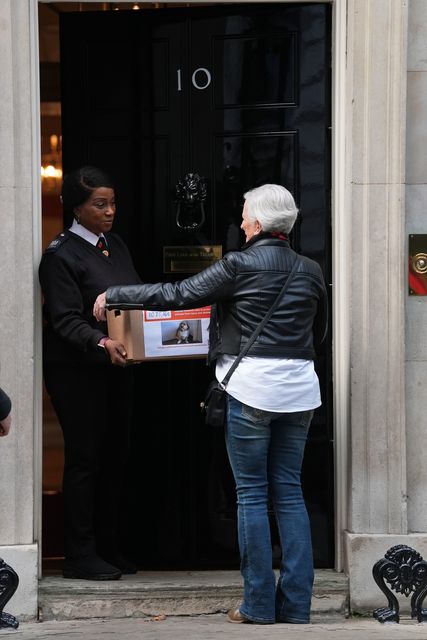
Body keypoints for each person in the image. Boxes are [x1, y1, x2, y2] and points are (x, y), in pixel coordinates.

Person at [94, 183, 328, 622]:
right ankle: (297, 606)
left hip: (250, 390)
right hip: (300, 390)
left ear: (257, 223)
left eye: (244, 215)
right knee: (291, 495)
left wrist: (117, 295)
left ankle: (258, 605)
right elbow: (319, 334)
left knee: (253, 496)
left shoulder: (239, 264)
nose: (240, 222)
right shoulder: (310, 269)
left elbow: (177, 295)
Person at [39, 165, 142, 581]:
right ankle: (79, 554)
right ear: (74, 208)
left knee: (116, 457)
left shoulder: (113, 244)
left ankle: (107, 547)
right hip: (77, 372)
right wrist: (100, 342)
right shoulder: (59, 254)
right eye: (100, 205)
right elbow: (64, 320)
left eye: (112, 203)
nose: (110, 211)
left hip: (119, 369)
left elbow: (134, 291)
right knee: (86, 460)